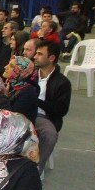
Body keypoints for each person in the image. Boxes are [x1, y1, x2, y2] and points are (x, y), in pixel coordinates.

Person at [32, 40, 71, 172]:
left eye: (39, 54)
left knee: (50, 135)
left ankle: (36, 168)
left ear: (52, 58)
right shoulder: (30, 75)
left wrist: (36, 101)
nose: (35, 57)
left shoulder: (62, 82)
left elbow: (61, 110)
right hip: (23, 112)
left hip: (44, 117)